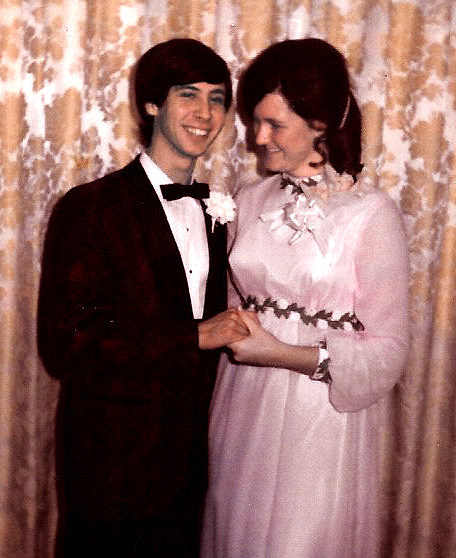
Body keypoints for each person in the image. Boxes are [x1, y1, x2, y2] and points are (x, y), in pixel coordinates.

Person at [37, 38, 249, 557]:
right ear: (152, 104)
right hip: (113, 471)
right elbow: (67, 344)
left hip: (192, 470)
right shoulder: (91, 208)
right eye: (188, 95)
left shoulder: (218, 212)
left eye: (217, 98)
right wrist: (196, 336)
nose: (205, 113)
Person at [201, 38, 409, 558]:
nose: (256, 139)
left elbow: (389, 354)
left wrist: (282, 354)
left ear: (320, 124)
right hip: (242, 404)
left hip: (319, 420)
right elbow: (233, 310)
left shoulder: (371, 214)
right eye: (254, 121)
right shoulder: (248, 200)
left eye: (274, 125)